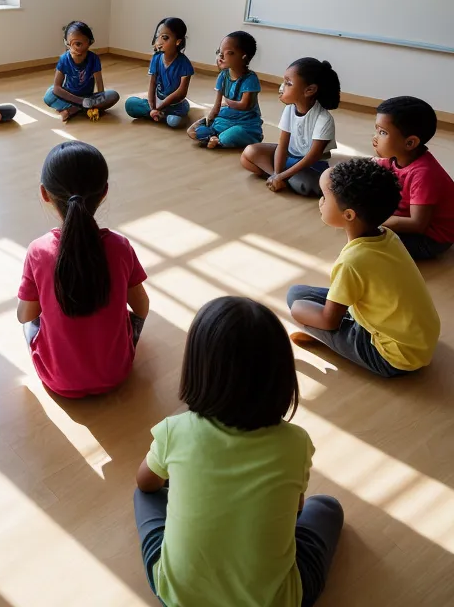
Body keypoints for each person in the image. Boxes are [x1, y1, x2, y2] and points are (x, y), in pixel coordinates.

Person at [134, 297, 343, 607]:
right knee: (327, 506)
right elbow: (297, 509)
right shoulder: (296, 442)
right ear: (281, 376)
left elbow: (145, 482)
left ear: (197, 370)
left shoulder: (174, 430)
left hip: (180, 598)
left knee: (145, 495)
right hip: (275, 601)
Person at [17, 141, 149, 397]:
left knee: (31, 324)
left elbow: (25, 316)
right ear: (104, 191)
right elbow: (142, 308)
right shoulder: (120, 247)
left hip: (58, 380)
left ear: (45, 194)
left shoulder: (38, 250)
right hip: (116, 373)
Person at [288, 158, 440, 377]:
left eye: (325, 197)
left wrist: (296, 313)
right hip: (417, 338)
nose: (320, 201)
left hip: (394, 357)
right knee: (297, 294)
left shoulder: (352, 262)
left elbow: (329, 321)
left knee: (297, 305)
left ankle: (333, 343)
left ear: (349, 215)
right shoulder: (388, 235)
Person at [241, 58, 341, 196]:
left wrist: (281, 175)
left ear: (309, 90)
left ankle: (281, 179)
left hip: (311, 165)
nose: (282, 87)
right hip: (290, 156)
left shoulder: (324, 119)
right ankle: (278, 179)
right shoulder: (289, 110)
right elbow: (282, 146)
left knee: (306, 184)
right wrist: (277, 173)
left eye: (288, 83)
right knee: (249, 154)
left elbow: (312, 157)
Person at [372, 96, 454, 260]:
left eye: (383, 132)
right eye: (377, 130)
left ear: (410, 143)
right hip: (407, 221)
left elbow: (417, 224)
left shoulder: (424, 174)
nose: (375, 138)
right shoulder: (394, 159)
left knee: (368, 242)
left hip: (430, 238)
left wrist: (372, 221)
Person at [187, 30, 263, 149]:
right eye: (219, 52)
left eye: (229, 53)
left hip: (245, 124)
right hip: (224, 121)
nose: (221, 57)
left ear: (243, 57)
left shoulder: (250, 79)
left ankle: (218, 139)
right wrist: (210, 119)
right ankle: (214, 138)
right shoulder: (223, 76)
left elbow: (245, 105)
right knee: (195, 132)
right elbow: (217, 105)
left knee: (232, 135)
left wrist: (227, 102)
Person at [43, 21, 120, 122]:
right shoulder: (64, 59)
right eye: (73, 44)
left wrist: (100, 100)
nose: (77, 48)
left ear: (89, 42)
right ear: (67, 43)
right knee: (49, 95)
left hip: (88, 96)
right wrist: (81, 101)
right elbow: (57, 88)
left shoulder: (94, 59)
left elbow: (100, 85)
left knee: (113, 95)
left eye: (79, 44)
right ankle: (81, 107)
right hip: (70, 96)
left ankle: (73, 109)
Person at [124, 18, 194, 128]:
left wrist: (160, 107)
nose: (159, 42)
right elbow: (152, 84)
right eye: (158, 37)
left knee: (174, 121)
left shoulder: (184, 64)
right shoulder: (156, 58)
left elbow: (181, 92)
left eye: (165, 38)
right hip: (157, 102)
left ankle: (159, 115)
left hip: (174, 105)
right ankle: (158, 115)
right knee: (130, 104)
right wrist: (153, 107)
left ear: (177, 41)